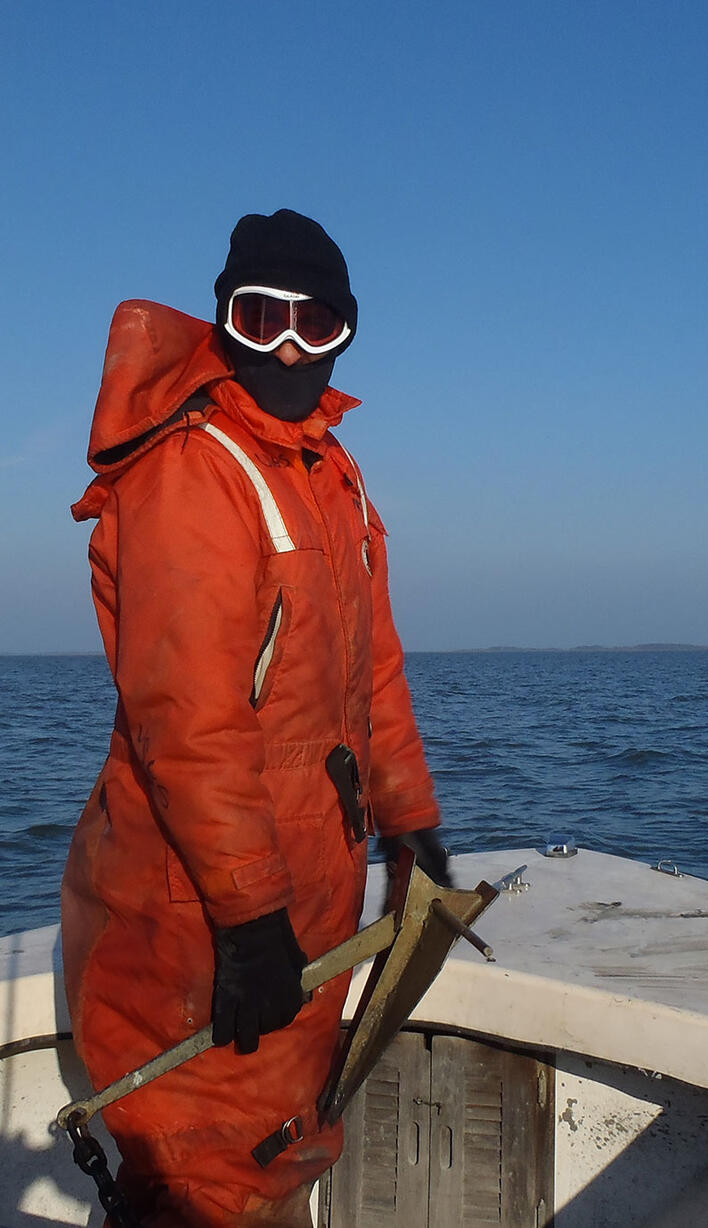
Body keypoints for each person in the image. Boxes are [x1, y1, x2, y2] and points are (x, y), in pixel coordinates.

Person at [62, 209, 452, 1227]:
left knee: (276, 1147)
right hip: (193, 914)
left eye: (314, 322)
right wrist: (246, 919)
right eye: (261, 314)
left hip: (304, 889)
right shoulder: (195, 472)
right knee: (200, 1175)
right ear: (223, 323)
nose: (287, 344)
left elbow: (374, 671)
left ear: (345, 333)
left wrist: (410, 821)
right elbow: (186, 721)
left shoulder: (329, 476)